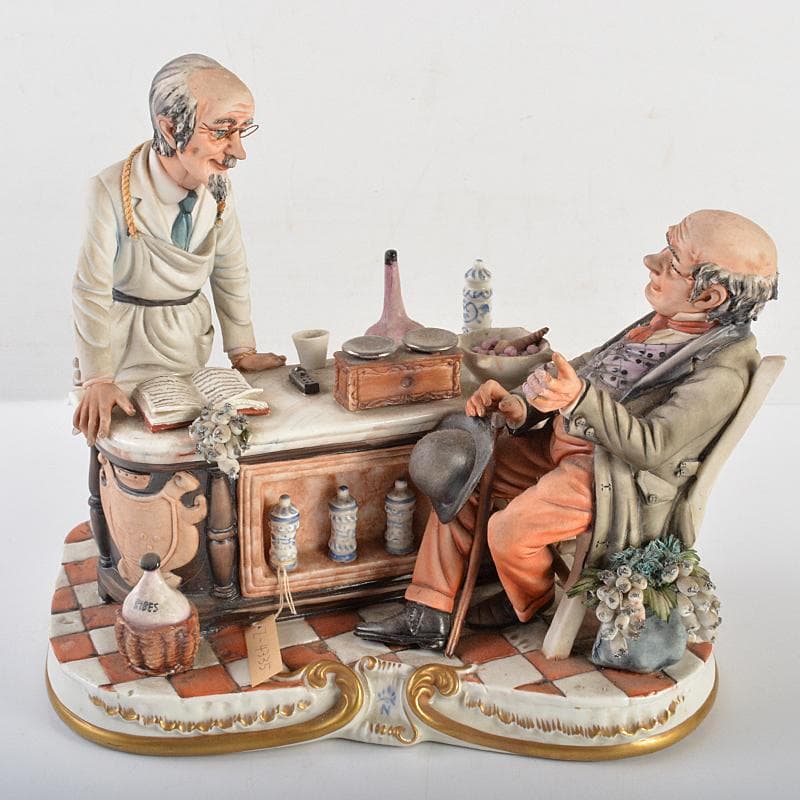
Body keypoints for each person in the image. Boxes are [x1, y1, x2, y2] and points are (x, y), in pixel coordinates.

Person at [355, 209, 778, 650]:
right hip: (565, 441)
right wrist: (522, 402)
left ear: (709, 296)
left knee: (509, 532)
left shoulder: (723, 370)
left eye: (671, 262)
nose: (651, 262)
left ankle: (529, 599)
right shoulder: (665, 321)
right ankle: (429, 609)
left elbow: (654, 446)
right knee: (465, 467)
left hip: (610, 475)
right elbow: (587, 368)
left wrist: (578, 398)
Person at [72, 54, 285, 446]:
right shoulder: (108, 191)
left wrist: (242, 349)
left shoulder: (218, 188)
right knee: (130, 437)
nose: (239, 152)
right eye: (221, 131)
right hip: (124, 350)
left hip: (189, 344)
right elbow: (91, 288)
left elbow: (230, 270)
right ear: (170, 129)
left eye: (242, 131)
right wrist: (98, 378)